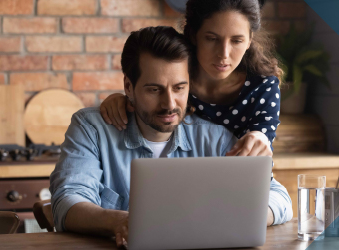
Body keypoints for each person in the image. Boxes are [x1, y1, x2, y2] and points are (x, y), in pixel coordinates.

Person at [49, 26, 293, 248]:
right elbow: (68, 201)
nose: (169, 104)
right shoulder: (91, 128)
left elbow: (279, 197)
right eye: (154, 90)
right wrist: (120, 222)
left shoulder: (215, 138)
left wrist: (244, 218)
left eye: (179, 88)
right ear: (128, 87)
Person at [101, 0, 282, 157]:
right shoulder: (176, 76)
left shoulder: (263, 86)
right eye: (212, 39)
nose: (224, 54)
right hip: (181, 176)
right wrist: (124, 100)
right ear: (194, 35)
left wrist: (260, 138)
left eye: (237, 41)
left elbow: (262, 146)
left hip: (238, 180)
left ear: (250, 40)